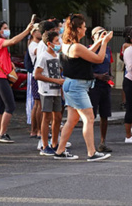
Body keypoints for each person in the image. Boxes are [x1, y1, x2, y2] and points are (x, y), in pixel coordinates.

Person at [53, 14, 112, 161]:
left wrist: (98, 42)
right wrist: (104, 43)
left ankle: (60, 151)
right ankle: (91, 153)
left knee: (72, 120)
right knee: (89, 118)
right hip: (77, 87)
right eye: (84, 26)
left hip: (72, 84)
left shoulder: (68, 45)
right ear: (78, 29)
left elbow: (88, 52)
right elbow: (98, 59)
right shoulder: (77, 47)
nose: (86, 29)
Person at [0, 17, 37, 143]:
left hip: (0, 76)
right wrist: (27, 31)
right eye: (5, 28)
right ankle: (2, 134)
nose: (7, 30)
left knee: (0, 107)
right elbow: (13, 41)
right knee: (10, 105)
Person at [34, 31, 64, 156]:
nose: (59, 43)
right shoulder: (43, 56)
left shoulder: (57, 56)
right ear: (49, 43)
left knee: (57, 117)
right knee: (46, 117)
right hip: (46, 90)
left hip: (57, 90)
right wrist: (54, 80)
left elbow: (60, 71)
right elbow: (37, 75)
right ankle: (44, 145)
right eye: (56, 41)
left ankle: (55, 143)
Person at [88, 27, 114, 153]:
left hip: (105, 85)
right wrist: (98, 76)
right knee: (91, 115)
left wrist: (110, 76)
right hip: (94, 85)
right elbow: (86, 69)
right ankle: (90, 144)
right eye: (100, 33)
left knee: (105, 114)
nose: (104, 35)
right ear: (93, 37)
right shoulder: (89, 49)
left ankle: (103, 142)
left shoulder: (107, 49)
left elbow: (109, 64)